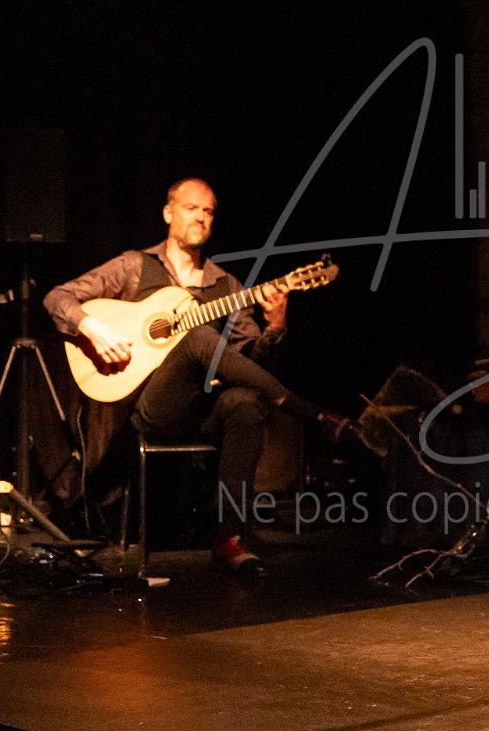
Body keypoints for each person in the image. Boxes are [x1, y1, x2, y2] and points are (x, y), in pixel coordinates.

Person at [44, 177, 354, 577]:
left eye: (208, 211)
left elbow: (251, 365)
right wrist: (93, 328)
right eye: (192, 208)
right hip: (153, 409)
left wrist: (275, 326)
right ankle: (313, 415)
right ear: (168, 213)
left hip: (203, 412)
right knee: (198, 335)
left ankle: (230, 538)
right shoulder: (135, 266)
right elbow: (57, 297)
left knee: (245, 401)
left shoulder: (226, 286)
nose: (201, 217)